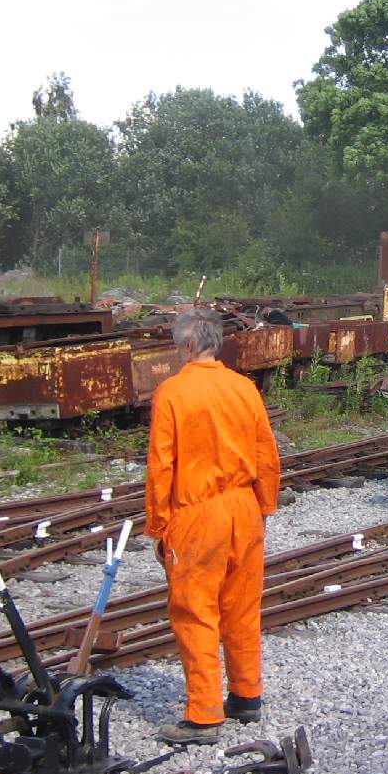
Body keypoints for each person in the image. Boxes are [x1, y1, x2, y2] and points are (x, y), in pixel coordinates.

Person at [145, 307, 281, 745]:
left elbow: (161, 466)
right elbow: (266, 454)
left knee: (195, 609)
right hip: (244, 507)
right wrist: (263, 506)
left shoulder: (172, 393)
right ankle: (246, 696)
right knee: (241, 606)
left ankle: (203, 714)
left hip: (197, 512)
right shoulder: (245, 388)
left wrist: (159, 526)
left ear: (186, 346)